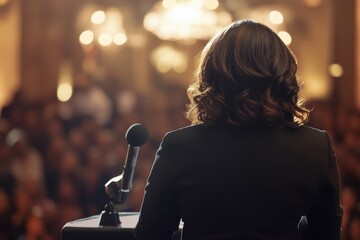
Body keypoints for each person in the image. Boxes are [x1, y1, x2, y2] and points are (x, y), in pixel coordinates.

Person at [134, 20, 343, 240]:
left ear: (211, 76)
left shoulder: (178, 146)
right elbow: (327, 233)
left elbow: (150, 232)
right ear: (282, 73)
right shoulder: (317, 146)